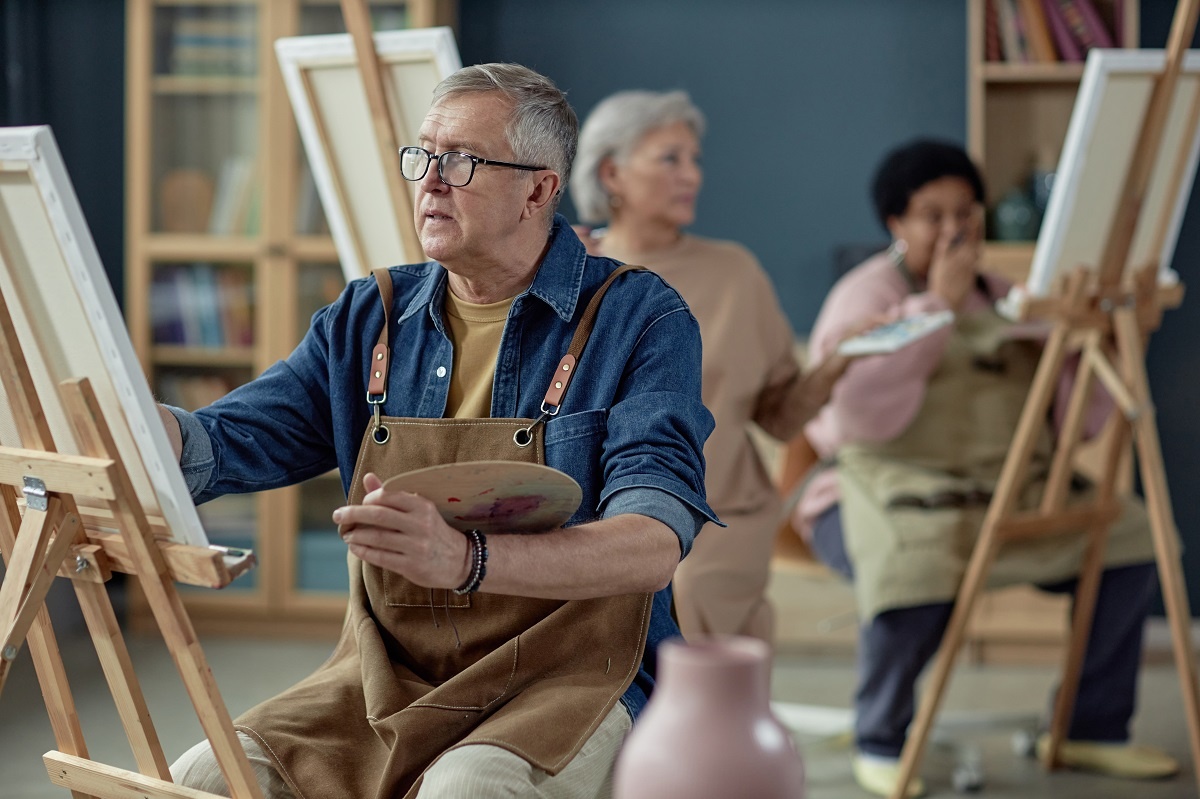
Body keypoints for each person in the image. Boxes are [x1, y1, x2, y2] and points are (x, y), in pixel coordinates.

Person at [164, 63, 718, 799]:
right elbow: (224, 442)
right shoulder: (371, 314)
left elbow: (652, 543)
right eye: (422, 156)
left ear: (539, 190)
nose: (429, 181)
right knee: (203, 776)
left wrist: (466, 559)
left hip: (570, 674)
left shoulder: (639, 318)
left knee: (468, 787)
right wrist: (138, 430)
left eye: (460, 161)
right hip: (387, 675)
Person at [791, 138, 1178, 797]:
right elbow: (857, 421)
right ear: (895, 223)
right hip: (884, 486)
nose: (953, 231)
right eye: (932, 216)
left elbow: (1074, 424)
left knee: (1131, 536)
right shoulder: (866, 294)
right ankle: (880, 734)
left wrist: (1107, 343)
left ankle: (1088, 724)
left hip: (1006, 491)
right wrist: (935, 308)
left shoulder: (1011, 299)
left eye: (966, 213)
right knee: (916, 563)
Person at [571, 89, 848, 644]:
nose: (691, 175)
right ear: (612, 174)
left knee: (680, 593)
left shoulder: (734, 273)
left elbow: (779, 420)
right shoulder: (572, 272)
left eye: (694, 160)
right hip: (593, 513)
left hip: (718, 516)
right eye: (670, 159)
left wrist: (840, 362)